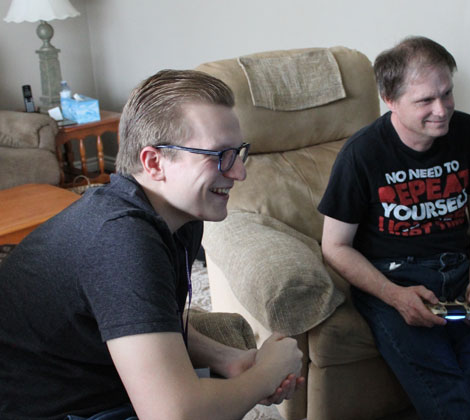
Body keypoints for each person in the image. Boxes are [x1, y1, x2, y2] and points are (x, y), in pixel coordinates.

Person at [0, 70, 304, 419]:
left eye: (238, 152)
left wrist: (229, 359)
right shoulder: (121, 242)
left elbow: (150, 319)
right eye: (219, 155)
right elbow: (172, 414)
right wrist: (268, 374)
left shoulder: (180, 217)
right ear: (154, 162)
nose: (239, 172)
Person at [318, 36, 470, 419]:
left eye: (447, 93)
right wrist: (395, 296)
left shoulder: (468, 132)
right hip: (397, 280)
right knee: (448, 396)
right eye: (425, 101)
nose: (442, 110)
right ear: (390, 99)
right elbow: (335, 246)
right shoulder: (361, 154)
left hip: (461, 270)